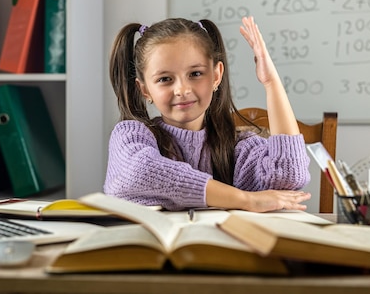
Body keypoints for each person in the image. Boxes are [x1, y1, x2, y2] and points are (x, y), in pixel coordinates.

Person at [105, 16, 311, 212]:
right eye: (165, 79)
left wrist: (271, 83)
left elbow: (288, 177)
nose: (182, 90)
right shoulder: (130, 135)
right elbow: (140, 173)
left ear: (216, 76)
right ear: (145, 90)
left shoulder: (238, 147)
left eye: (195, 74)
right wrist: (245, 199)